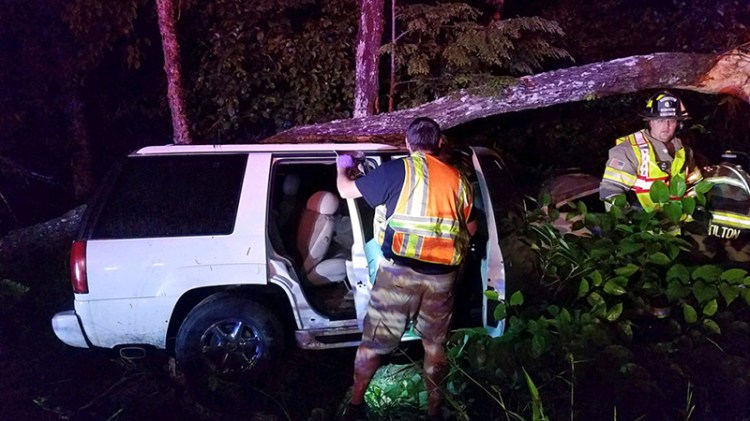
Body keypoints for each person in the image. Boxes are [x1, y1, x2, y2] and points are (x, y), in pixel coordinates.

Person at [336, 117, 476, 419]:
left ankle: (355, 406)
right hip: (442, 279)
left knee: (373, 345)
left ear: (408, 143)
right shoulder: (458, 179)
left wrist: (342, 166)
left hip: (399, 276)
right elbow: (471, 227)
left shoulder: (398, 169)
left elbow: (347, 191)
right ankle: (434, 410)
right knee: (435, 346)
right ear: (438, 143)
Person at [600, 91, 703, 211]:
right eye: (660, 120)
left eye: (672, 120)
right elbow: (611, 190)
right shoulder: (629, 150)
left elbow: (696, 186)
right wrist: (626, 221)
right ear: (650, 121)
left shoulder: (684, 151)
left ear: (678, 124)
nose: (666, 126)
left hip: (679, 222)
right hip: (645, 225)